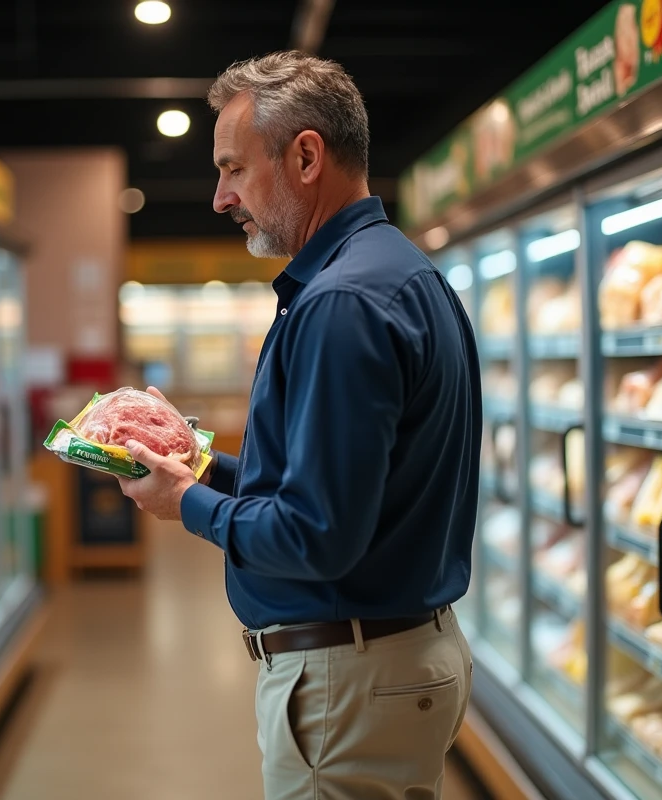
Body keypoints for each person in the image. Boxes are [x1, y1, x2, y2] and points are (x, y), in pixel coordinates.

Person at [118, 50, 481, 800]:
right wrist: (203, 468)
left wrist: (185, 505)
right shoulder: (406, 275)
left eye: (234, 169)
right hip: (392, 661)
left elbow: (318, 535)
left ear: (306, 155)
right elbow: (343, 488)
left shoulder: (340, 303)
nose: (220, 197)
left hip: (349, 681)